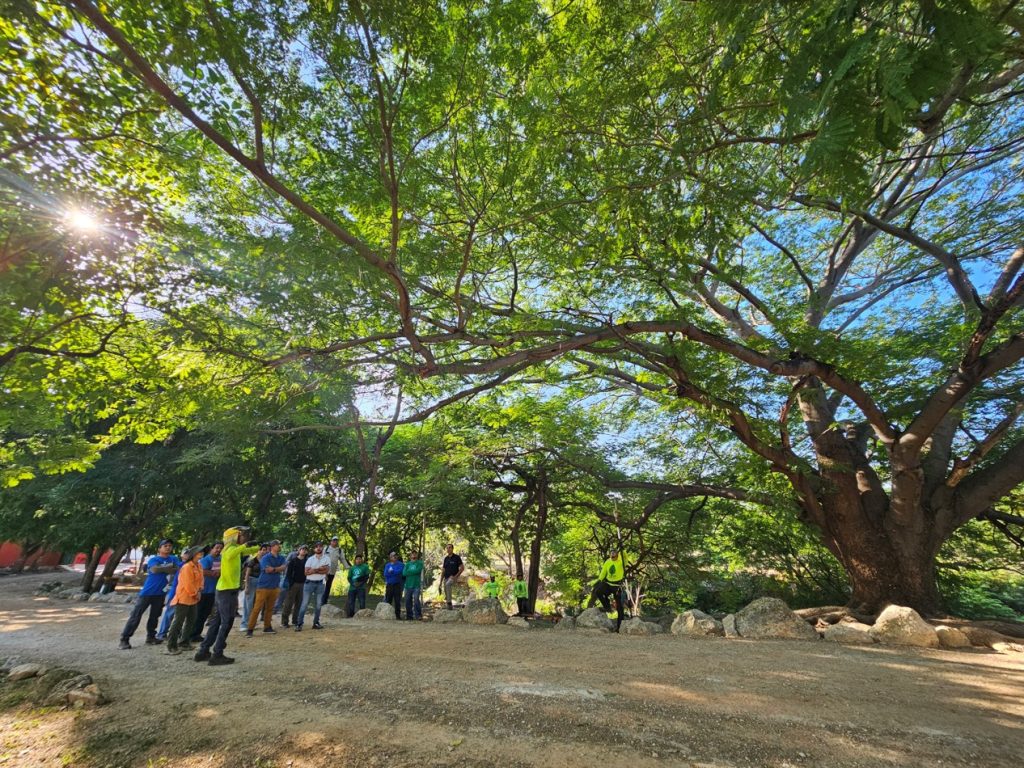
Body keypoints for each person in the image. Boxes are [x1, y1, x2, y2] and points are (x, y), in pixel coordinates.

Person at [194, 526, 260, 666]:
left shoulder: (236, 550)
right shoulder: (228, 550)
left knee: (217, 622)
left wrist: (258, 546)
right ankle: (217, 654)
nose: (244, 538)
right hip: (226, 592)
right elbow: (233, 553)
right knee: (226, 622)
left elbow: (253, 550)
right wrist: (244, 546)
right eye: (241, 535)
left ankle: (203, 651)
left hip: (225, 591)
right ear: (234, 537)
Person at [119, 539, 179, 650]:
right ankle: (124, 639)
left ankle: (151, 637)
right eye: (165, 545)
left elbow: (177, 569)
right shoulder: (154, 559)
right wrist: (169, 568)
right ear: (159, 548)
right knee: (136, 616)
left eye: (170, 545)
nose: (168, 547)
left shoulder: (174, 558)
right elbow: (155, 569)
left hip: (161, 593)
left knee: (155, 616)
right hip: (147, 592)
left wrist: (165, 568)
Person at [166, 545, 204, 654]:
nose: (201, 554)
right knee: (178, 622)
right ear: (193, 555)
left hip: (194, 597)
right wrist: (195, 593)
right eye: (199, 552)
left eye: (202, 552)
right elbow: (188, 583)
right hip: (184, 597)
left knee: (191, 620)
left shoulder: (199, 566)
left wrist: (200, 590)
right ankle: (171, 645)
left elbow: (201, 580)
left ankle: (184, 642)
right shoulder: (187, 567)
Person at [246, 540, 286, 636]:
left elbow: (284, 567)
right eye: (277, 545)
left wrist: (274, 569)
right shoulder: (265, 558)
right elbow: (267, 570)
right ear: (272, 547)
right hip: (263, 586)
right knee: (257, 608)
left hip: (275, 586)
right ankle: (250, 629)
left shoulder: (281, 557)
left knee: (270, 608)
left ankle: (267, 627)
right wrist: (278, 568)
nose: (279, 547)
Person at [587, 547, 627, 631]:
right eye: (611, 553)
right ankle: (607, 606)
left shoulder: (621, 561)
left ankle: (620, 626)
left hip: (617, 586)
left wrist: (621, 548)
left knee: (619, 606)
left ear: (617, 554)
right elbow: (603, 572)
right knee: (598, 591)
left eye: (614, 553)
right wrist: (599, 581)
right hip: (608, 583)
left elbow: (625, 556)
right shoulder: (608, 562)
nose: (612, 554)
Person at [191, 541, 223, 643]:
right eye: (217, 547)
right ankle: (191, 634)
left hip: (213, 591)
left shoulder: (220, 559)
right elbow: (202, 571)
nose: (218, 550)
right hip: (203, 590)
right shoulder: (205, 559)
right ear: (211, 549)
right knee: (198, 614)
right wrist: (214, 573)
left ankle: (197, 634)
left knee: (205, 614)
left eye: (220, 548)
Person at [298, 541, 330, 631]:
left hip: (320, 583)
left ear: (322, 548)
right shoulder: (310, 559)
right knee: (304, 604)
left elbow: (326, 571)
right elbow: (306, 572)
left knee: (318, 605)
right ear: (314, 549)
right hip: (309, 583)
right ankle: (299, 624)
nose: (318, 548)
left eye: (320, 546)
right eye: (316, 547)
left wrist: (313, 570)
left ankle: (316, 623)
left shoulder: (327, 558)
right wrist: (319, 569)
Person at [240, 543, 269, 628]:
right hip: (252, 581)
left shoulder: (266, 561)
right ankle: (244, 624)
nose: (265, 552)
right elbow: (247, 574)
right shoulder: (253, 561)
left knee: (256, 604)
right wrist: (246, 586)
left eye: (267, 550)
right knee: (248, 603)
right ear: (259, 551)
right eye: (263, 550)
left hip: (261, 583)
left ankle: (251, 622)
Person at [280, 544, 308, 629]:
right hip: (293, 584)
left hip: (303, 584)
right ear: (299, 550)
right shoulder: (293, 561)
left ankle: (295, 620)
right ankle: (284, 621)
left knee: (299, 603)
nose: (303, 550)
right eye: (302, 549)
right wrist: (290, 583)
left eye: (305, 549)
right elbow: (288, 573)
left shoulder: (307, 561)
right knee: (288, 603)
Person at [345, 553, 370, 617]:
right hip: (352, 588)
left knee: (362, 601)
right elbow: (349, 578)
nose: (358, 560)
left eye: (360, 559)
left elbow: (367, 576)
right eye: (357, 559)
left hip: (361, 587)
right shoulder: (352, 568)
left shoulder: (365, 567)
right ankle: (351, 615)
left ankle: (362, 615)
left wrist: (360, 583)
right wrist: (353, 584)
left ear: (362, 560)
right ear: (355, 560)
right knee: (351, 602)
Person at [403, 550, 424, 621]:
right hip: (408, 585)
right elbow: (404, 573)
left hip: (416, 585)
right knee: (407, 600)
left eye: (415, 554)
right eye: (413, 554)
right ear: (410, 556)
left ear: (417, 555)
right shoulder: (407, 564)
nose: (414, 555)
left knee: (416, 600)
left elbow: (418, 571)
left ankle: (418, 615)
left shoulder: (420, 563)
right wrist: (411, 572)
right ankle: (409, 616)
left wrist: (409, 571)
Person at [441, 544, 464, 610]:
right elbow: (443, 570)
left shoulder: (456, 557)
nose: (448, 549)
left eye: (450, 548)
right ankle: (449, 606)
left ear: (452, 549)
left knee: (448, 584)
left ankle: (449, 603)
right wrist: (440, 582)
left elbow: (462, 568)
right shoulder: (445, 558)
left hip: (453, 577)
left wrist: (455, 576)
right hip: (446, 578)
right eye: (447, 548)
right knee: (445, 589)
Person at [382, 551, 404, 619]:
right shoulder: (387, 565)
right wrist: (392, 572)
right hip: (389, 585)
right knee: (388, 600)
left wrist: (392, 572)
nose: (394, 557)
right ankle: (387, 615)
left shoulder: (401, 564)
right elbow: (385, 574)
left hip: (397, 584)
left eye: (395, 555)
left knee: (397, 601)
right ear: (390, 557)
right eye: (392, 556)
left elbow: (399, 572)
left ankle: (397, 615)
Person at [322, 536, 341, 605]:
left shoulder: (339, 550)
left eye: (336, 541)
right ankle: (321, 602)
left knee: (328, 586)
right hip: (324, 570)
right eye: (334, 540)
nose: (335, 542)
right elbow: (322, 559)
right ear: (331, 541)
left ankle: (324, 601)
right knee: (323, 586)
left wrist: (348, 567)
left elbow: (343, 559)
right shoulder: (326, 548)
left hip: (332, 571)